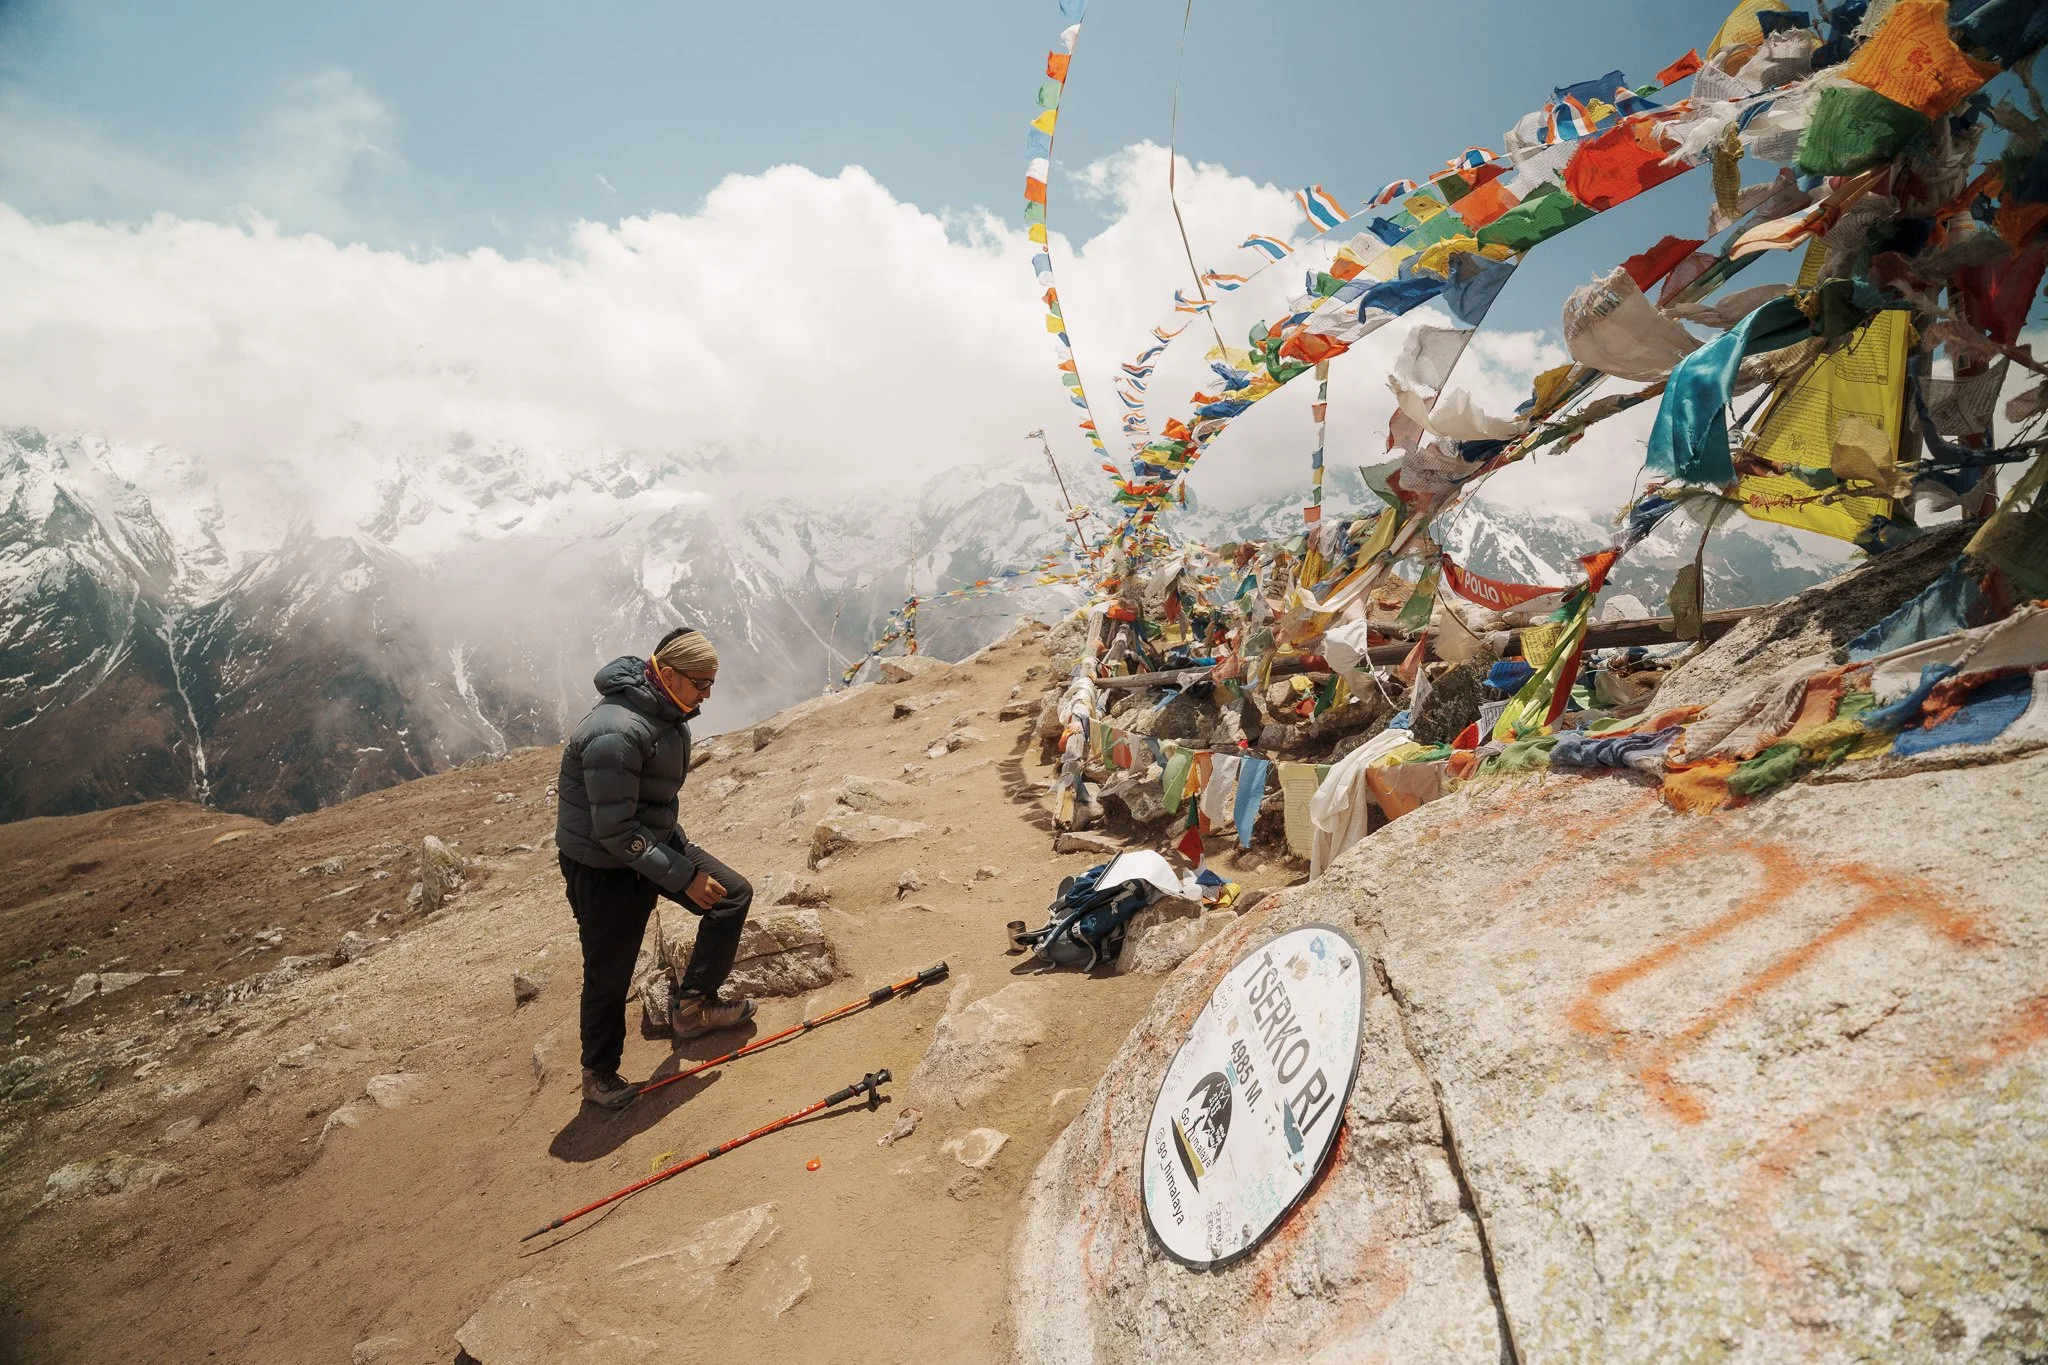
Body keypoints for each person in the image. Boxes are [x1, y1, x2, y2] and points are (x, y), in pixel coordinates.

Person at [555, 626, 756, 1110]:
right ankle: (599, 1074)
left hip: (652, 842)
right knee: (610, 970)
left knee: (731, 894)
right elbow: (615, 832)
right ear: (667, 674)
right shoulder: (616, 733)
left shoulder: (666, 709)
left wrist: (677, 859)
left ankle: (691, 1008)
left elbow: (646, 807)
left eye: (712, 681)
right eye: (701, 682)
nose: (709, 692)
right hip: (603, 867)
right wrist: (685, 876)